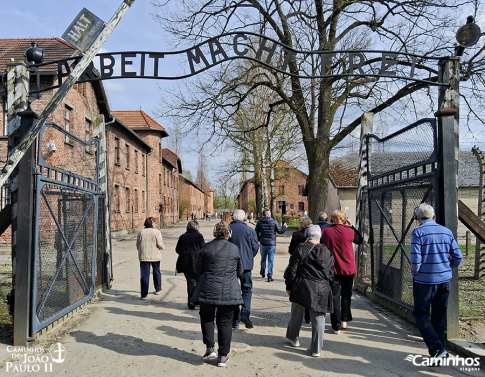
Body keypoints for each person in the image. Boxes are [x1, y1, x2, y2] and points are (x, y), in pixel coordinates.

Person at [411, 203, 463, 363]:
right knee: (439, 317)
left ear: (417, 218)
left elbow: (415, 259)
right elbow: (458, 257)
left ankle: (437, 349)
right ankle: (437, 355)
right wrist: (447, 269)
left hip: (424, 282)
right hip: (444, 280)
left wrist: (415, 273)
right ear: (433, 216)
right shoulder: (446, 232)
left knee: (421, 314)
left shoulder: (418, 232)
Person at [194, 221, 244, 367]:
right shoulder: (234, 249)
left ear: (215, 233)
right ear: (229, 234)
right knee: (225, 323)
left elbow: (198, 268)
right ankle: (223, 356)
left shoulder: (206, 247)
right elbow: (240, 271)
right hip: (229, 291)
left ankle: (210, 348)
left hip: (207, 289)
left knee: (207, 318)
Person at [284, 225, 334, 357]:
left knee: (296, 313)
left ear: (307, 236)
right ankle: (316, 348)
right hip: (321, 288)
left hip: (301, 286)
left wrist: (289, 285)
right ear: (320, 236)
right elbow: (330, 273)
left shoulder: (301, 248)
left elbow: (292, 270)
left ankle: (293, 337)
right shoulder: (327, 251)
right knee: (319, 318)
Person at [321, 210, 362, 334]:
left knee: (334, 297)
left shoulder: (325, 232)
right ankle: (345, 319)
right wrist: (352, 227)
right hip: (348, 268)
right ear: (344, 220)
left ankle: (336, 325)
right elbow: (359, 240)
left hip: (332, 268)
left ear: (332, 219)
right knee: (346, 294)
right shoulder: (349, 232)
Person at [229, 209, 259, 329]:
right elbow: (255, 246)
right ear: (243, 218)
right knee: (246, 289)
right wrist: (249, 256)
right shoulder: (249, 230)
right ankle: (245, 313)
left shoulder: (227, 229)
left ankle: (235, 320)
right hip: (246, 264)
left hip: (230, 265)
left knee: (233, 291)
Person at [175, 220, 205, 309]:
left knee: (190, 282)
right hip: (197, 262)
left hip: (185, 262)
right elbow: (203, 249)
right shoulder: (199, 236)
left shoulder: (182, 236)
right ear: (197, 227)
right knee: (200, 281)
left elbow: (177, 250)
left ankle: (190, 303)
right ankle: (194, 300)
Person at [288, 216, 313, 324]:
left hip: (297, 263)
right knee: (309, 287)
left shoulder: (296, 235)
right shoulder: (312, 236)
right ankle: (308, 316)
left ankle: (298, 311)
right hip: (309, 263)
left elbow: (291, 250)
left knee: (298, 285)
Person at [255, 208, 287, 282]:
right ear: (268, 214)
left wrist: (259, 239)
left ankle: (262, 272)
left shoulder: (259, 222)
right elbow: (280, 231)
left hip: (263, 243)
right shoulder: (274, 222)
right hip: (272, 243)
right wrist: (284, 227)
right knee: (271, 260)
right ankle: (270, 275)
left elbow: (256, 233)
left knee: (263, 259)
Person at [136, 217, 165, 299]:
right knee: (156, 272)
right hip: (155, 256)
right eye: (155, 223)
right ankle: (158, 289)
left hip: (144, 256)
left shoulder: (141, 232)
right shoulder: (157, 232)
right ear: (152, 224)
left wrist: (141, 251)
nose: (156, 224)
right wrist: (163, 247)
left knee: (144, 274)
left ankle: (144, 294)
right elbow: (160, 243)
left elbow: (138, 244)